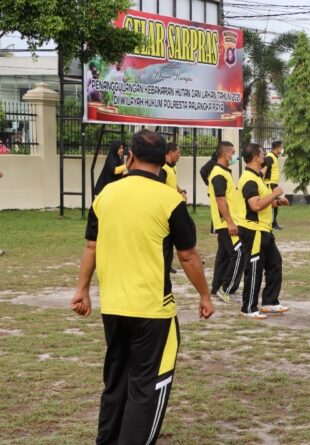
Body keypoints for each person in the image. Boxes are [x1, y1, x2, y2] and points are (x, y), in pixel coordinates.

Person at [70, 129, 214, 444]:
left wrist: (82, 290)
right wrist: (204, 295)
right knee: (147, 388)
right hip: (153, 313)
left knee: (116, 382)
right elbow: (188, 256)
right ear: (164, 160)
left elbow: (91, 247)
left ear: (129, 157)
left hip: (113, 308)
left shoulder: (105, 195)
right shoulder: (170, 200)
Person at [237, 143, 290, 319]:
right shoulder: (249, 179)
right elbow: (255, 205)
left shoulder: (258, 178)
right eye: (262, 154)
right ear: (255, 158)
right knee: (254, 268)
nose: (264, 157)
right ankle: (248, 307)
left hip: (264, 230)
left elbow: (264, 202)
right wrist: (275, 194)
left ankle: (270, 302)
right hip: (253, 230)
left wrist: (277, 201)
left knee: (275, 263)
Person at [208, 141, 245, 302]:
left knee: (223, 256)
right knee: (239, 252)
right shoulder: (218, 174)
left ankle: (216, 288)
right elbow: (220, 199)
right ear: (225, 154)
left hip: (228, 221)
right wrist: (230, 222)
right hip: (225, 223)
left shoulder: (224, 172)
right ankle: (228, 289)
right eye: (232, 153)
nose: (234, 156)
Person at [160, 142, 187, 274]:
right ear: (170, 153)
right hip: (166, 208)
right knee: (166, 240)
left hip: (173, 207)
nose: (179, 156)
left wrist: (181, 191)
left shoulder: (172, 167)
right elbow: (161, 187)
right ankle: (163, 265)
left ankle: (168, 264)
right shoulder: (163, 169)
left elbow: (172, 184)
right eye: (178, 153)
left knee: (171, 239)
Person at [265, 140, 283, 230]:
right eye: (281, 147)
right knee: (273, 203)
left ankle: (274, 222)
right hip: (270, 184)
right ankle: (272, 223)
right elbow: (264, 169)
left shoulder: (275, 157)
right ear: (278, 147)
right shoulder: (270, 157)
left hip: (274, 183)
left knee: (275, 203)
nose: (282, 149)